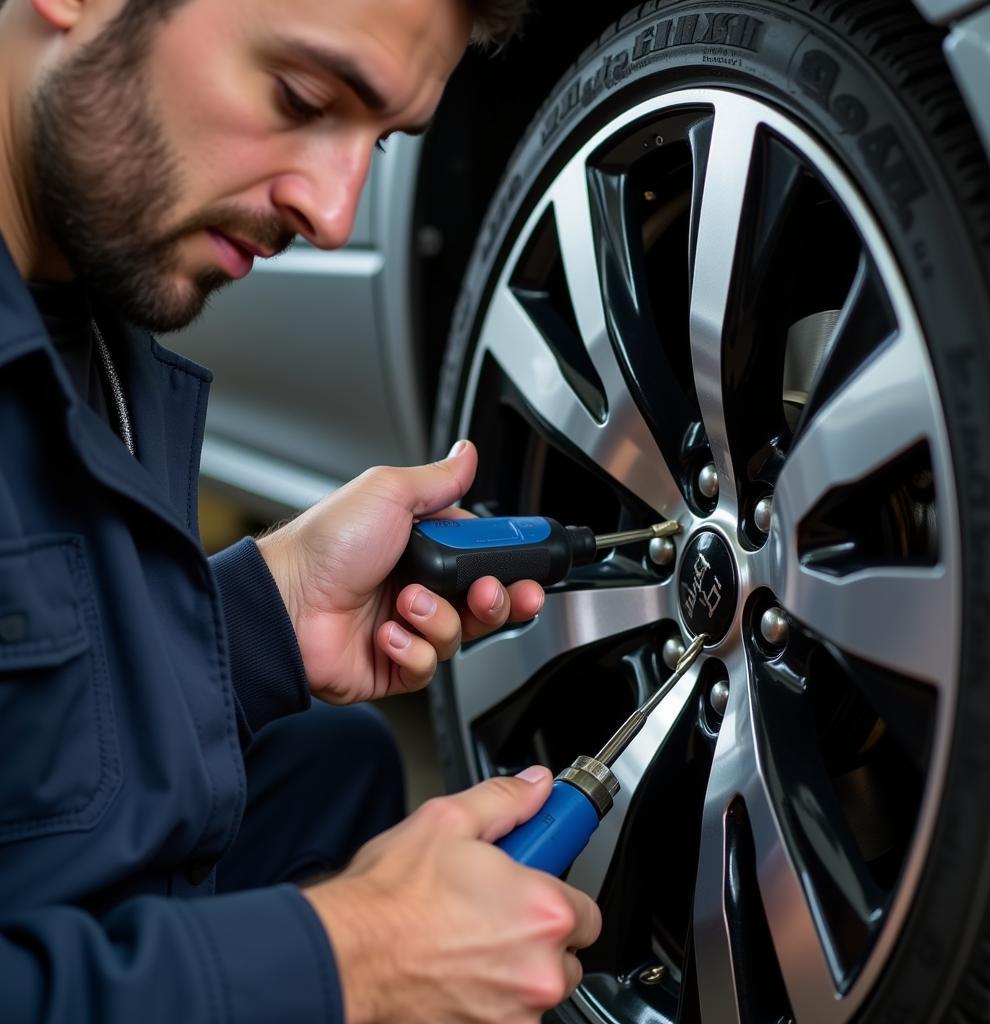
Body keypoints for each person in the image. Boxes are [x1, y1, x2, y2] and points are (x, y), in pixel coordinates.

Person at [0, 0, 602, 1021]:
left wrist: (260, 620)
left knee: (334, 769)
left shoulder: (92, 296)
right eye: (304, 97)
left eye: (382, 141)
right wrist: (355, 958)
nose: (333, 211)